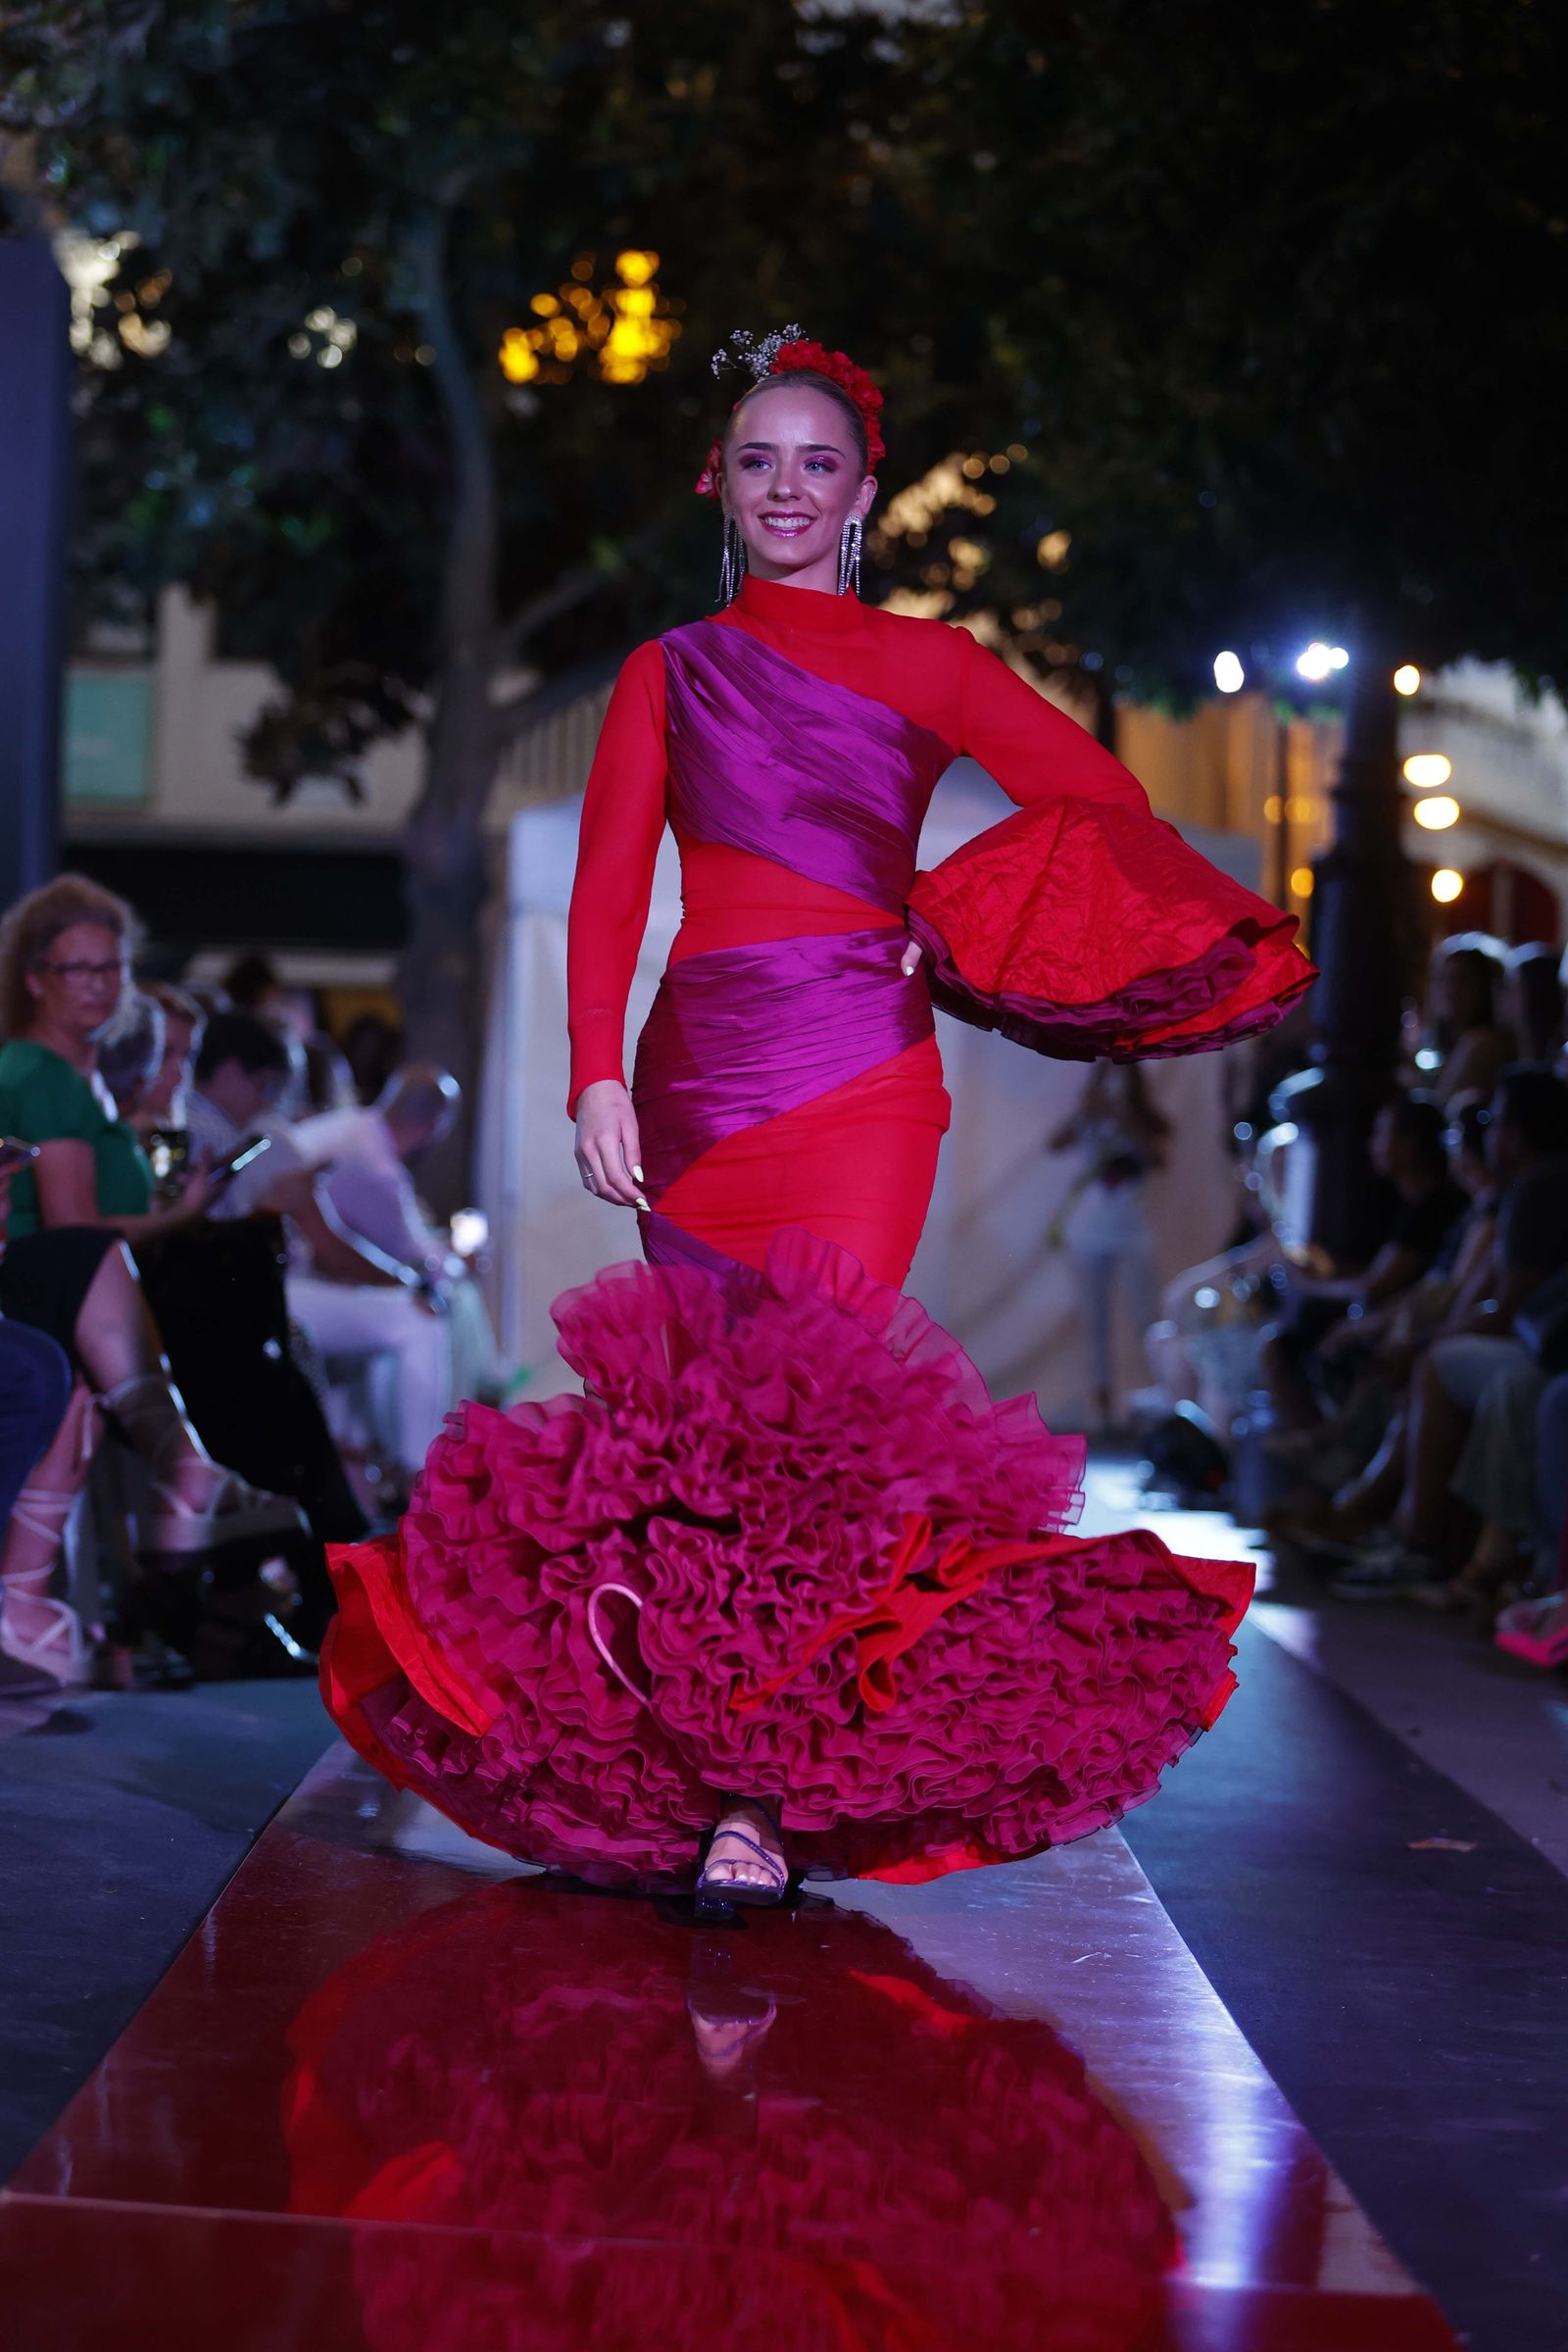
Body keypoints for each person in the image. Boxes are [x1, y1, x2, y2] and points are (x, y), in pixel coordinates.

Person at [320, 328, 1311, 1912]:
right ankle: (710, 1777)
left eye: (820, 463)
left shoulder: (933, 663)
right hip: (692, 1083)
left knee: (816, 1439)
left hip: (862, 1078)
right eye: (762, 461)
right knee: (699, 1453)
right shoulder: (668, 669)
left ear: (865, 493)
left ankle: (764, 1803)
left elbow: (1102, 805)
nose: (790, 488)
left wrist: (949, 908)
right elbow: (607, 890)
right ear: (723, 484)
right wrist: (590, 1071)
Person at [0, 879, 307, 1621]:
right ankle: (217, 1513)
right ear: (36, 978)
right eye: (80, 969)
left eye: (113, 968)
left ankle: (217, 1549)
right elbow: (78, 1228)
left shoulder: (85, 1080)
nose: (101, 986)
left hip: (82, 1286)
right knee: (226, 1315)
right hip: (48, 1279)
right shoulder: (39, 1073)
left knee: (244, 1311)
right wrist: (186, 1214)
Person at [189, 1012, 451, 1481]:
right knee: (417, 1320)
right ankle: (419, 1479)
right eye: (268, 1086)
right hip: (255, 1289)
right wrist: (411, 1282)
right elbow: (331, 1246)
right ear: (229, 1074)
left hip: (256, 1284)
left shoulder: (235, 1132)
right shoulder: (246, 1137)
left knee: (376, 1333)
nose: (275, 1102)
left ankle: (385, 1470)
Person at [295, 1065, 508, 1406]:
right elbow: (414, 1258)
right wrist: (456, 1259)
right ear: (435, 1123)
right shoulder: (378, 1168)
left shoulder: (350, 1126)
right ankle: (431, 1446)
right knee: (428, 1314)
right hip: (294, 1281)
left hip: (299, 1274)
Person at [1048, 1061, 1170, 1429]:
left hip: (1131, 1231)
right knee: (1095, 1325)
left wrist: (1126, 1118)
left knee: (1148, 1319)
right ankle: (1103, 1414)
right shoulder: (1090, 1117)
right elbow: (1054, 1144)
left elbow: (1159, 1159)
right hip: (1086, 1232)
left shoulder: (1144, 1121)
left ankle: (1166, 1397)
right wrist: (1087, 1113)